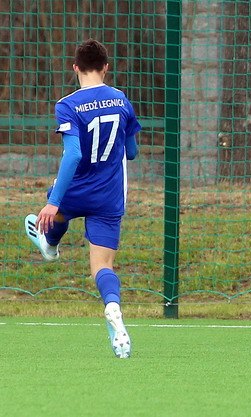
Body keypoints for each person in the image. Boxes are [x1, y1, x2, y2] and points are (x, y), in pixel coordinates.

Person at [24, 39, 141, 359]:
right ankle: (113, 308)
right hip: (108, 195)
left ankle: (50, 244)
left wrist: (54, 202)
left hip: (76, 191)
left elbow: (73, 154)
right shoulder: (121, 99)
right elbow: (131, 152)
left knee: (55, 209)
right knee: (102, 266)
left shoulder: (67, 104)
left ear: (75, 67)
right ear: (106, 67)